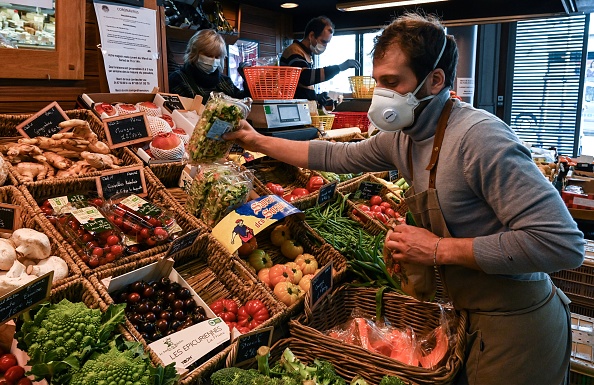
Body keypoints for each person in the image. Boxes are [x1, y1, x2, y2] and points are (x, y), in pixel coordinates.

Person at [224, 12, 585, 385]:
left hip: (517, 328)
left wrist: (438, 250)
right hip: (465, 318)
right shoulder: (403, 137)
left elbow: (561, 244)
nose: (380, 95)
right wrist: (256, 140)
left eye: (392, 83)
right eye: (378, 82)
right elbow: (334, 156)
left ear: (435, 80)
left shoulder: (480, 139)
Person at [280, 16, 360, 106]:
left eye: (327, 43)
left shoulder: (306, 54)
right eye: (323, 41)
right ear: (311, 36)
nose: (325, 46)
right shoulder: (293, 51)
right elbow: (305, 77)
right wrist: (338, 68)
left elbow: (301, 87)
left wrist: (316, 97)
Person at [168, 29, 248, 104]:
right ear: (194, 53)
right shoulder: (178, 79)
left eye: (217, 57)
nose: (213, 60)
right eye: (208, 55)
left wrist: (247, 80)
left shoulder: (225, 82)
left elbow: (242, 102)